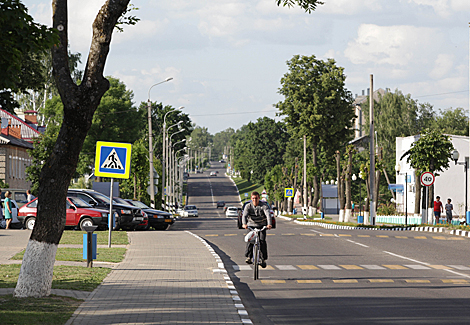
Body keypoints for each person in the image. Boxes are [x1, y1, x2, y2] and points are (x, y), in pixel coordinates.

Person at [242, 191, 272, 268]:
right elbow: (244, 215)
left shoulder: (263, 206)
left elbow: (268, 215)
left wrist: (269, 224)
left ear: (259, 198)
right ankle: (249, 257)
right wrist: (244, 224)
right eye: (253, 198)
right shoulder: (248, 206)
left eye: (256, 198)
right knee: (250, 240)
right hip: (251, 226)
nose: (255, 200)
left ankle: (263, 259)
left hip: (262, 226)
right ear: (251, 199)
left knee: (262, 241)